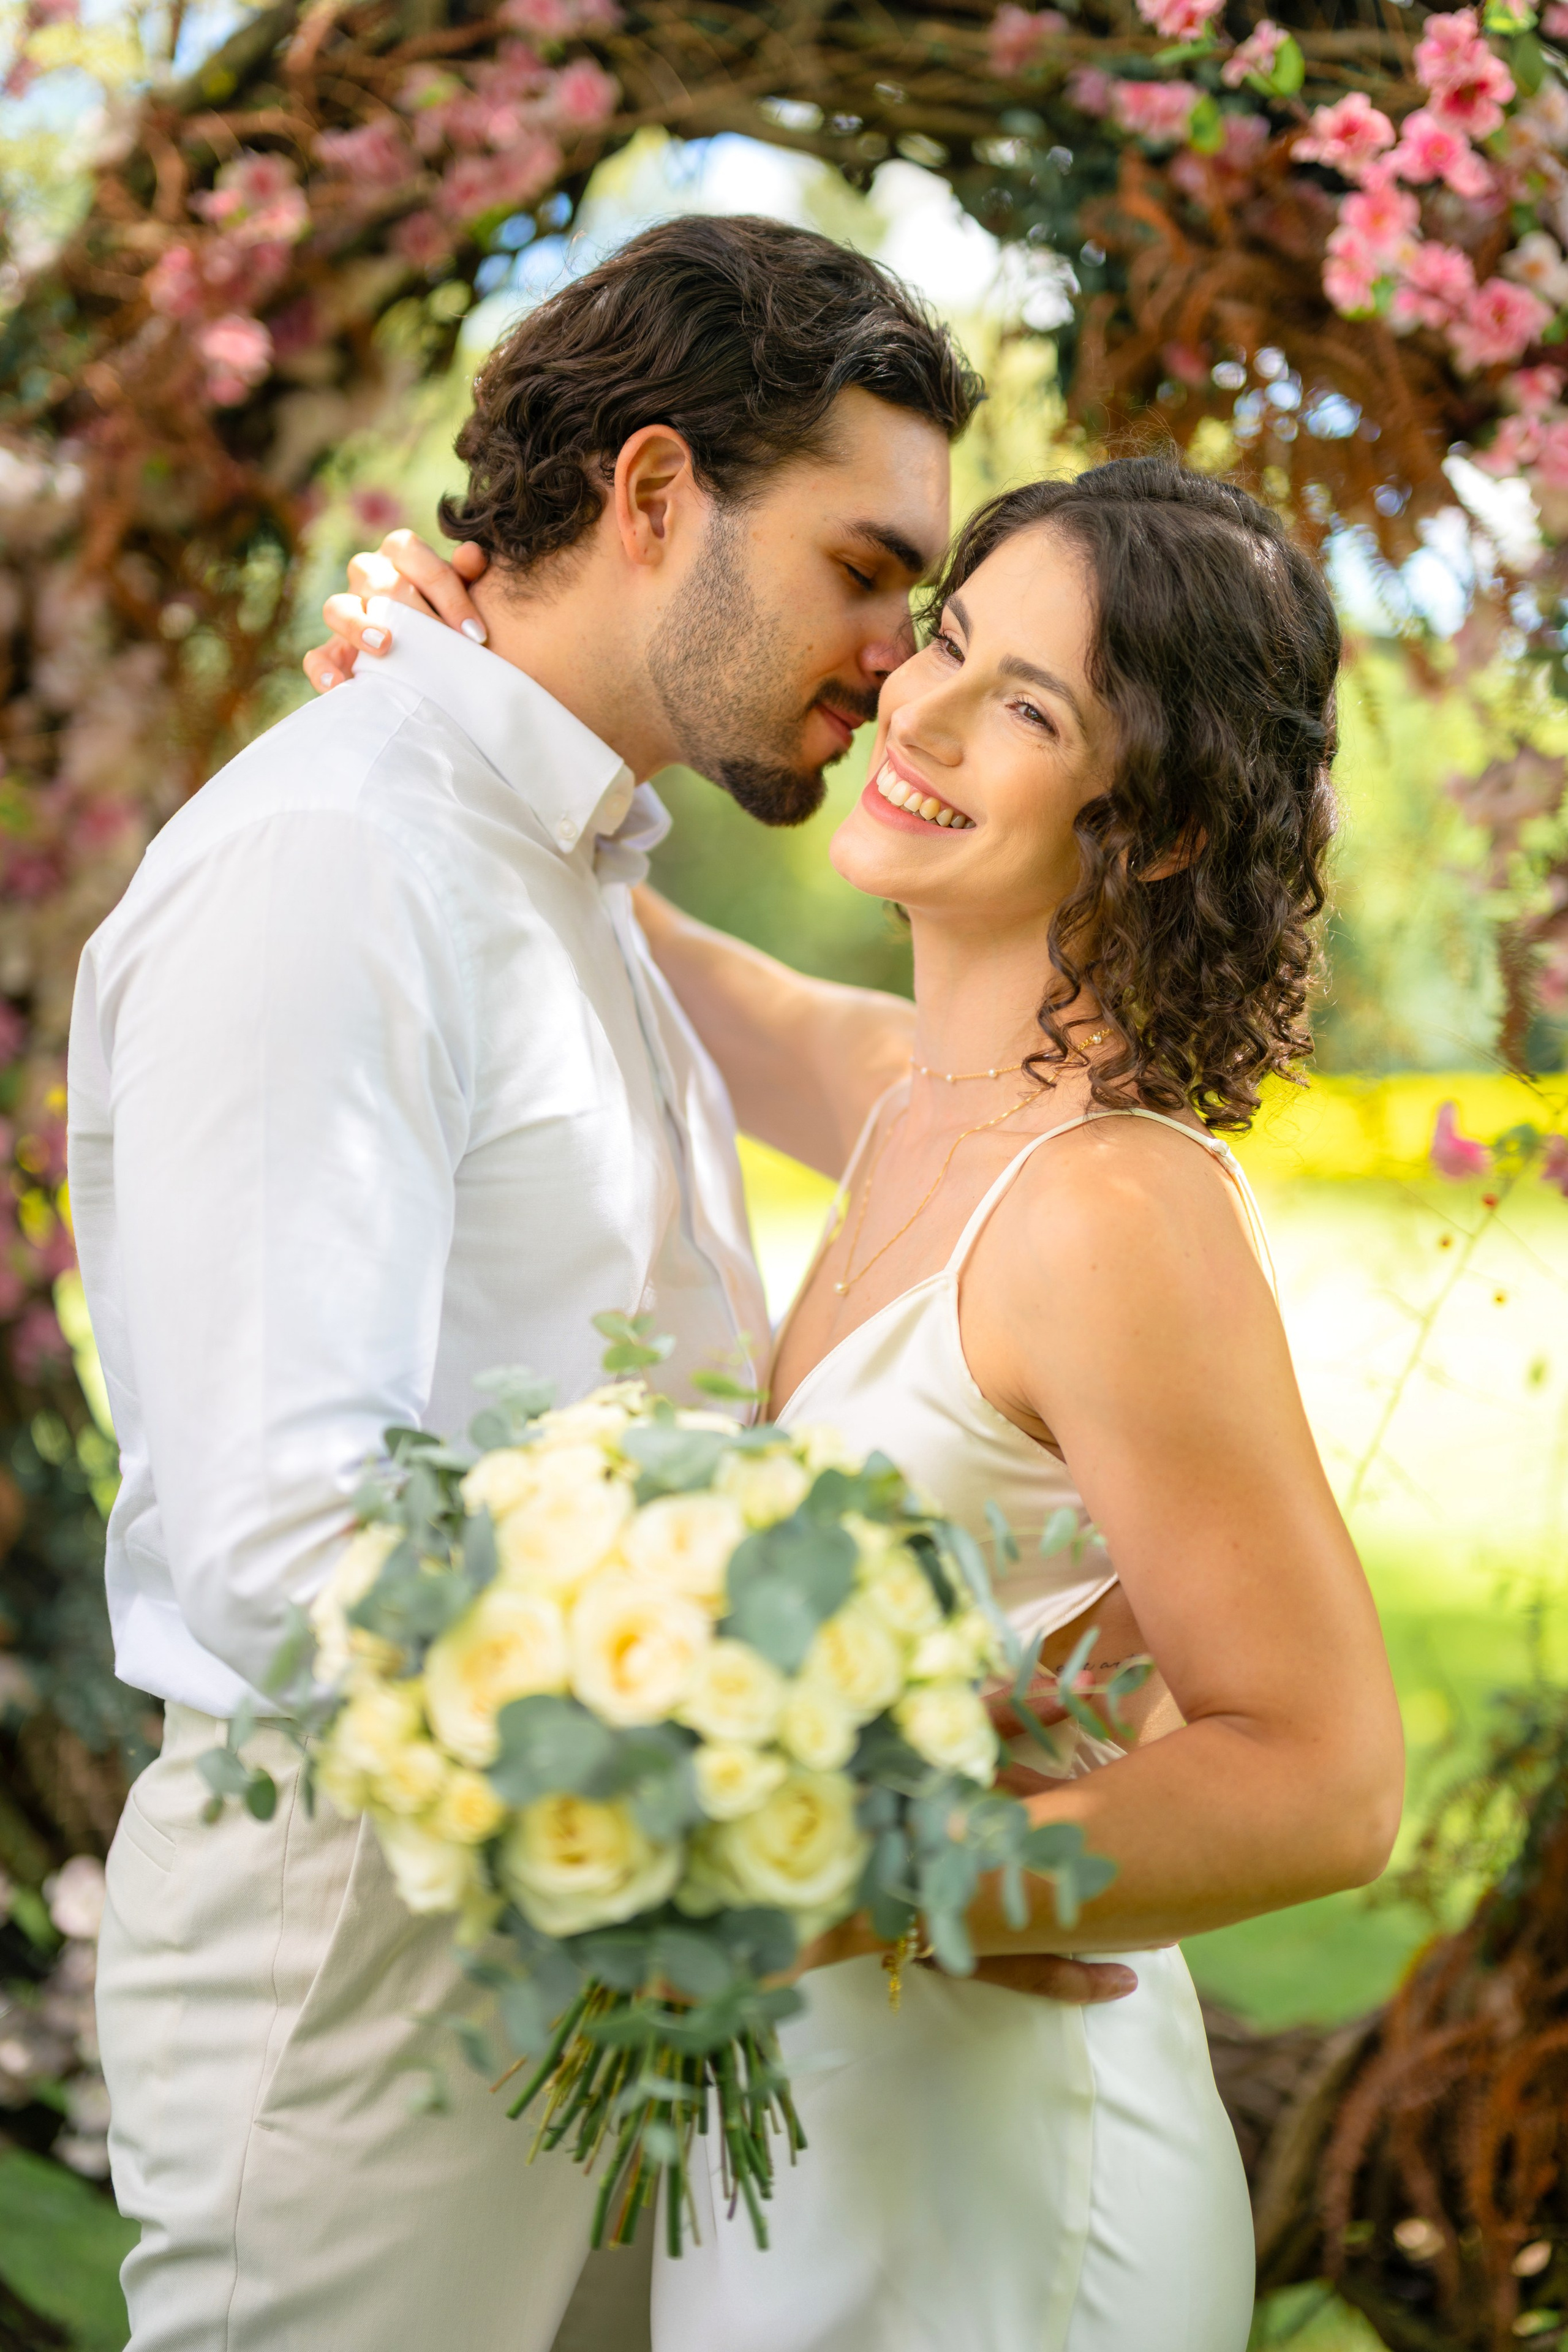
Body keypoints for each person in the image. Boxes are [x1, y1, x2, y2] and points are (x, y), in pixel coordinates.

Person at [67, 212, 1075, 2352]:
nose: (898, 661)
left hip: (624, 1930)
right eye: (869, 571)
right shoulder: (339, 864)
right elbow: (282, 1539)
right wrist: (831, 1799)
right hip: (360, 1957)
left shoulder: (565, 869)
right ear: (649, 494)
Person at [319, 456, 1405, 2351]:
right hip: (833, 2133)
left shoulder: (1110, 1212)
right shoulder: (916, 1095)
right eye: (955, 644)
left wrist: (846, 1880)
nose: (924, 710)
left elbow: (1325, 1777)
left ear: (1148, 828)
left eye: (1031, 709)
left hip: (1008, 2185)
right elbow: (649, 949)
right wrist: (453, 691)